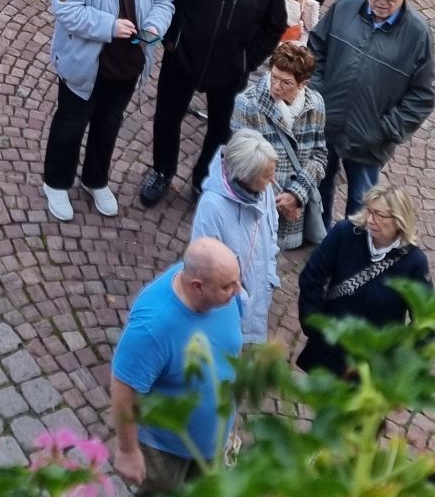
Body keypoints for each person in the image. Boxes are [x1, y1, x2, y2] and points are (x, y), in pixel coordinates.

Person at [139, 0, 286, 209]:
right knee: (166, 119)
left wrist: (248, 58)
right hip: (183, 58)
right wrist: (170, 38)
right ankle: (162, 171)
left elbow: (275, 26)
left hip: (230, 69)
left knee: (220, 129)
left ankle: (203, 180)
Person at [42, 0, 175, 221]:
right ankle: (56, 183)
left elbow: (164, 0)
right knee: (70, 125)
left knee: (108, 126)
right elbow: (66, 10)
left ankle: (95, 180)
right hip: (86, 65)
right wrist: (109, 26)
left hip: (127, 67)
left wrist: (155, 25)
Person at [308, 0, 435, 224]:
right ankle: (317, 238)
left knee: (363, 205)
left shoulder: (418, 34)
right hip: (325, 124)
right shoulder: (345, 6)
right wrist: (318, 96)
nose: (381, 4)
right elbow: (316, 50)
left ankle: (352, 251)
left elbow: (422, 95)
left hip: (370, 141)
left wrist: (385, 130)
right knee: (318, 186)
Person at [111, 239, 244, 493]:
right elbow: (124, 385)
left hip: (214, 442)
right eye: (228, 286)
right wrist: (128, 451)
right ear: (197, 287)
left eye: (237, 281)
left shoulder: (226, 295)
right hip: (166, 453)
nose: (238, 290)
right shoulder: (153, 326)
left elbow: (233, 345)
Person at [296, 185, 430, 377]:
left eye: (379, 215)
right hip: (330, 347)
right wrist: (314, 326)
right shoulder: (344, 233)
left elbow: (426, 322)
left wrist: (398, 361)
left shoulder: (414, 263)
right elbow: (311, 277)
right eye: (369, 210)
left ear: (398, 221)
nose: (370, 220)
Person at [232, 41, 328, 250]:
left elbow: (319, 155)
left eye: (285, 82)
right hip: (257, 208)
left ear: (303, 83)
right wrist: (282, 203)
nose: (276, 86)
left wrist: (296, 195)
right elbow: (241, 163)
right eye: (274, 77)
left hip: (294, 214)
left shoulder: (316, 104)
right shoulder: (248, 104)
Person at [191, 129, 279, 344]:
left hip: (258, 296)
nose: (273, 181)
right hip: (226, 307)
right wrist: (238, 299)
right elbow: (205, 267)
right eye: (266, 176)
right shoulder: (212, 207)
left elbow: (272, 231)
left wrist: (269, 277)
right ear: (244, 176)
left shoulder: (264, 190)